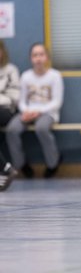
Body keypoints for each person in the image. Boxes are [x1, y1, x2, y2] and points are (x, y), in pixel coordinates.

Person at [6, 43, 64, 178]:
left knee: (41, 128)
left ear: (47, 57)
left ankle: (53, 163)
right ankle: (21, 164)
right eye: (35, 55)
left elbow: (56, 102)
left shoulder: (55, 76)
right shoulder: (26, 76)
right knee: (12, 129)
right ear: (31, 58)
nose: (38, 58)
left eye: (41, 54)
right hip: (27, 113)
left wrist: (38, 112)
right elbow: (21, 100)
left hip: (48, 113)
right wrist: (26, 111)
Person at [0, 40, 19, 190]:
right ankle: (5, 168)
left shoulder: (11, 70)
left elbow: (15, 97)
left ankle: (5, 169)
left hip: (6, 109)